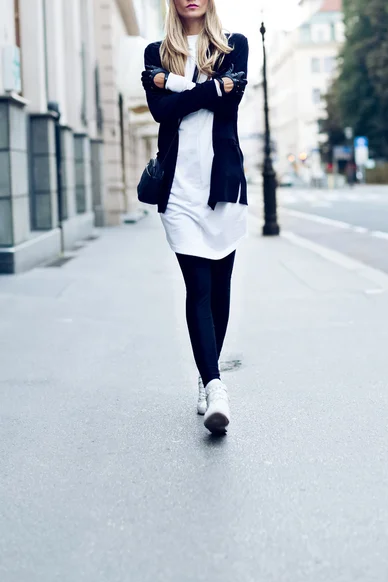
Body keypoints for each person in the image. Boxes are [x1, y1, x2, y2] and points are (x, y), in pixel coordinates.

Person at [141, 0, 249, 434]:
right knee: (198, 286)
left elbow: (229, 104)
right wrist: (208, 88)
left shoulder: (233, 46)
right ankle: (217, 386)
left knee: (220, 288)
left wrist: (175, 86)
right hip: (179, 189)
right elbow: (160, 112)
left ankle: (207, 376)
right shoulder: (155, 54)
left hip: (222, 186)